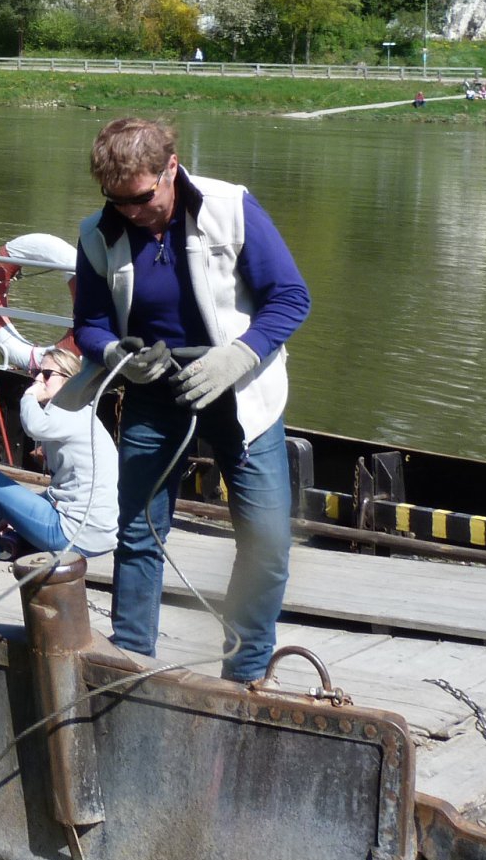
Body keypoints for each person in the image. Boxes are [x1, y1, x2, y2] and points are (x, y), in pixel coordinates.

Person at [72, 116, 310, 684]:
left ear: (171, 168)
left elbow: (291, 297)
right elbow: (90, 325)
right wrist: (117, 356)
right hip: (156, 395)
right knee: (139, 532)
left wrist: (240, 355)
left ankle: (247, 673)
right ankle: (131, 661)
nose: (130, 211)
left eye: (141, 197)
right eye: (116, 200)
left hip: (243, 395)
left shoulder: (231, 208)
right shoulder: (98, 234)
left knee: (268, 540)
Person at [0, 347, 117, 555]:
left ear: (69, 380)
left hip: (71, 535)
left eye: (47, 374)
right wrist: (16, 515)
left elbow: (34, 426)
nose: (38, 380)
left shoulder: (70, 412)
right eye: (36, 373)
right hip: (96, 536)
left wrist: (29, 395)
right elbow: (61, 488)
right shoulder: (82, 412)